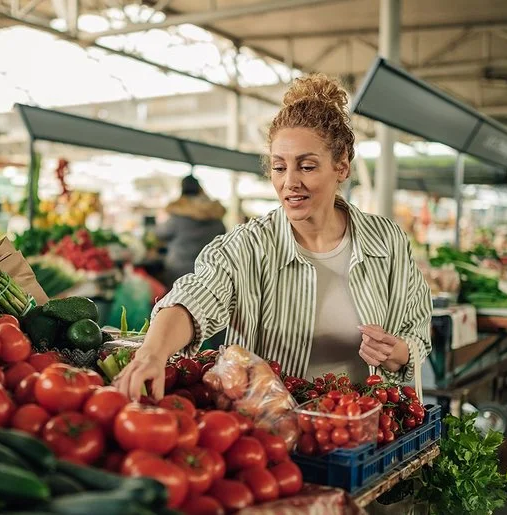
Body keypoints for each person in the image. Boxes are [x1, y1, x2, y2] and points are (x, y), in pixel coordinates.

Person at [116, 74, 432, 400]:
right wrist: (151, 354)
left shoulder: (387, 242)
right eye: (280, 168)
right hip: (271, 425)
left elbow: (418, 331)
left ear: (341, 167)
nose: (290, 182)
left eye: (307, 167)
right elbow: (194, 299)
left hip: (363, 425)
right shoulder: (248, 246)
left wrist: (400, 353)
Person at [155, 175, 227, 287]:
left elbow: (161, 233)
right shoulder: (214, 212)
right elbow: (223, 238)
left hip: (178, 269)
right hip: (207, 270)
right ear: (200, 189)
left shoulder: (179, 211)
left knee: (176, 302)